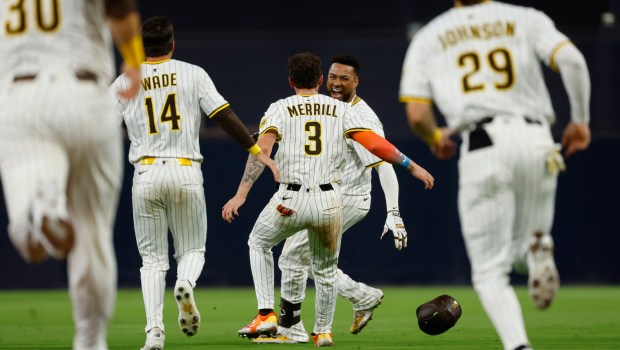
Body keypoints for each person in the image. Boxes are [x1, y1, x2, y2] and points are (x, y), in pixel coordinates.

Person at [399, 1, 591, 349]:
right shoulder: (526, 17)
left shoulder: (429, 36)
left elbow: (416, 115)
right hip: (538, 141)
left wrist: (435, 137)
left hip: (482, 146)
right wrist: (580, 120)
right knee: (525, 243)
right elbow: (573, 61)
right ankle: (538, 251)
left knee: (490, 270)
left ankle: (519, 345)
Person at [222, 52, 434, 347]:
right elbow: (377, 146)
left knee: (279, 252)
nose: (336, 83)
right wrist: (413, 165)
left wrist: (394, 211)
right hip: (330, 198)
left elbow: (379, 163)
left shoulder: (354, 114)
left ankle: (284, 321)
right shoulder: (338, 110)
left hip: (342, 196)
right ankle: (322, 329)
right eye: (332, 77)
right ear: (322, 79)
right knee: (309, 263)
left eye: (343, 78)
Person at [110, 15, 278, 350]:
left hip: (145, 172)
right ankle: (184, 283)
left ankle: (154, 334)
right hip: (185, 169)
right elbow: (224, 117)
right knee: (192, 249)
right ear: (172, 44)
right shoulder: (192, 73)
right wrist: (258, 151)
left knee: (152, 260)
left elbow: (98, 129)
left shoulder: (122, 83)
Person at [0, 0, 144, 349]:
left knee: (27, 213)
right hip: (88, 94)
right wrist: (134, 59)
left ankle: (40, 209)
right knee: (92, 233)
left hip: (22, 94)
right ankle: (91, 341)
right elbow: (120, 10)